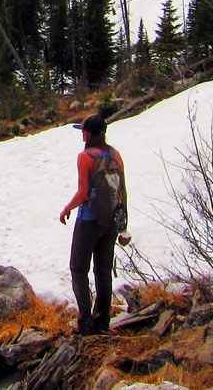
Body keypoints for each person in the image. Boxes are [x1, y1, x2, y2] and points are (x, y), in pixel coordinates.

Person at [59, 113, 127, 336]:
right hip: (110, 221)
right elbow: (122, 190)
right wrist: (122, 222)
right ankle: (102, 322)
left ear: (88, 134)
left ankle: (86, 323)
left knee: (79, 269)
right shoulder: (115, 155)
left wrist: (67, 208)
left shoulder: (85, 157)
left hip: (89, 220)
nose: (82, 134)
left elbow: (83, 192)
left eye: (83, 131)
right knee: (103, 271)